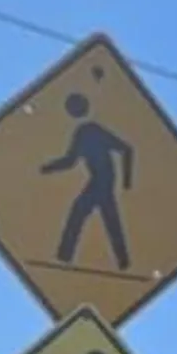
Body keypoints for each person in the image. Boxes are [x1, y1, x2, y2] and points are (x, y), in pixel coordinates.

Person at [39, 91, 137, 271]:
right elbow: (70, 161)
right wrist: (46, 168)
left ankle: (64, 257)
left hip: (104, 180)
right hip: (99, 180)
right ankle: (122, 261)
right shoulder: (82, 132)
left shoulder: (92, 130)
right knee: (108, 218)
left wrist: (127, 181)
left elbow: (127, 149)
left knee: (81, 213)